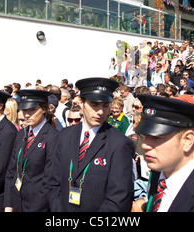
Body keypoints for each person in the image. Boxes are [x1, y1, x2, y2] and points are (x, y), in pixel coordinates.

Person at [48, 77, 134, 212]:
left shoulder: (119, 144)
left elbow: (118, 199)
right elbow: (54, 182)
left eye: (105, 106)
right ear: (82, 103)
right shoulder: (65, 136)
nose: (100, 111)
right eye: (95, 104)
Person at [4, 89, 59, 212]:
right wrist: (8, 203)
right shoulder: (21, 134)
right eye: (24, 110)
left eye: (32, 110)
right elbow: (11, 171)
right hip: (17, 202)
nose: (27, 115)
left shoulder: (53, 137)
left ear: (44, 109)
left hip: (37, 206)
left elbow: (49, 181)